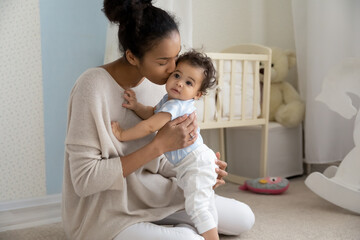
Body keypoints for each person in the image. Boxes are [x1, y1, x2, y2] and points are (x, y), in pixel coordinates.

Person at [61, 0, 255, 239]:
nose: (172, 70)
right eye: (163, 62)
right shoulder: (91, 86)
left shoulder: (164, 86)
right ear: (132, 57)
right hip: (107, 211)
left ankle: (175, 227)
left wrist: (197, 171)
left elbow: (162, 163)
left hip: (153, 195)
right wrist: (159, 145)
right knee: (191, 238)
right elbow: (84, 180)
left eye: (175, 57)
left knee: (243, 218)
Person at [111, 50, 219, 240]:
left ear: (197, 94)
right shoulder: (170, 101)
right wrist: (136, 106)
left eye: (188, 83)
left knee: (198, 208)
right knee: (205, 204)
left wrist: (123, 134)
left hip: (195, 164)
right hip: (195, 161)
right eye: (177, 75)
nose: (179, 83)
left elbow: (150, 125)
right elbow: (153, 114)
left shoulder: (176, 105)